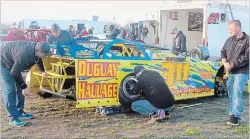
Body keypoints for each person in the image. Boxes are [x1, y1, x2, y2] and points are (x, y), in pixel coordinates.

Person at [0, 40, 53, 127]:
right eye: (45, 54)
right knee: (10, 88)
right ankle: (12, 117)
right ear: (39, 51)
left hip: (13, 61)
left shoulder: (36, 49)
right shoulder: (24, 55)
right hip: (3, 62)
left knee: (20, 86)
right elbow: (14, 73)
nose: (46, 56)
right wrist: (25, 87)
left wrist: (42, 71)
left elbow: (38, 59)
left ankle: (20, 112)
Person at [221, 20, 249, 126]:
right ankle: (239, 108)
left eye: (231, 29)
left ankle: (235, 117)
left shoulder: (247, 40)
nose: (229, 31)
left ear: (238, 27)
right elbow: (223, 52)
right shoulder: (229, 40)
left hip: (241, 72)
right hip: (230, 71)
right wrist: (225, 63)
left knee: (237, 93)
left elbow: (246, 57)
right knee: (231, 93)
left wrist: (233, 64)